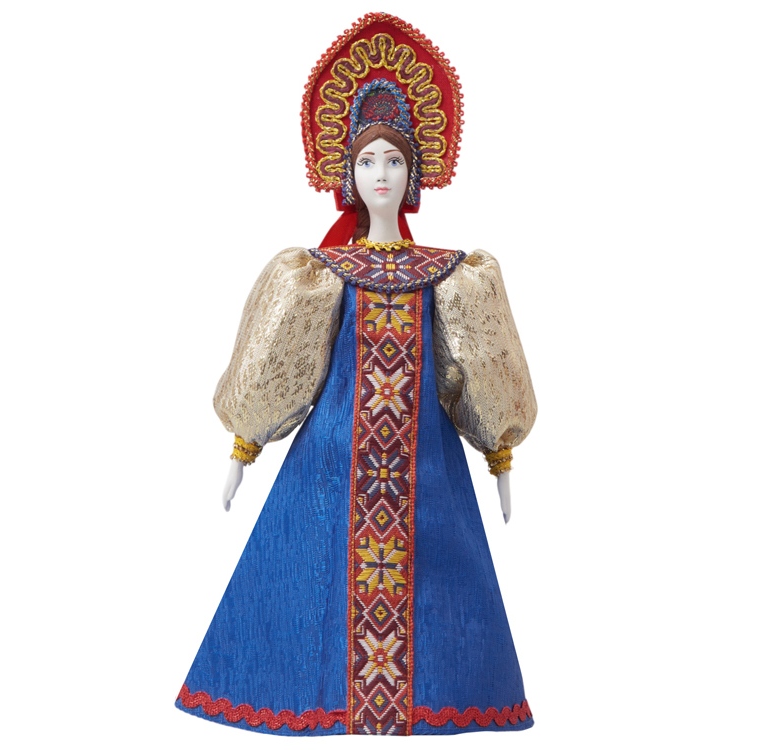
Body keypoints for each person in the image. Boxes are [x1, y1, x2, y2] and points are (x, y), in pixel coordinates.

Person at [175, 13, 538, 736]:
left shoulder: (453, 275)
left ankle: (423, 701)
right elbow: (280, 365)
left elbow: (479, 366)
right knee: (313, 589)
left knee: (443, 597)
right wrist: (244, 447)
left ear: (415, 174)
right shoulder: (318, 274)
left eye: (393, 162)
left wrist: (500, 452)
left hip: (427, 473)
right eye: (368, 161)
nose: (380, 175)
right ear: (347, 173)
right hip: (330, 469)